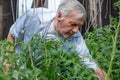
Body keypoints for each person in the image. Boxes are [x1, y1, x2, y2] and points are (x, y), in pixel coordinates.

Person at [7, 0, 110, 80]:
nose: (76, 30)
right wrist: (7, 64)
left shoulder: (76, 37)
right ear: (59, 16)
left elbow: (90, 65)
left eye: (79, 26)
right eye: (73, 24)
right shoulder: (34, 17)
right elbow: (12, 35)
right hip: (18, 71)